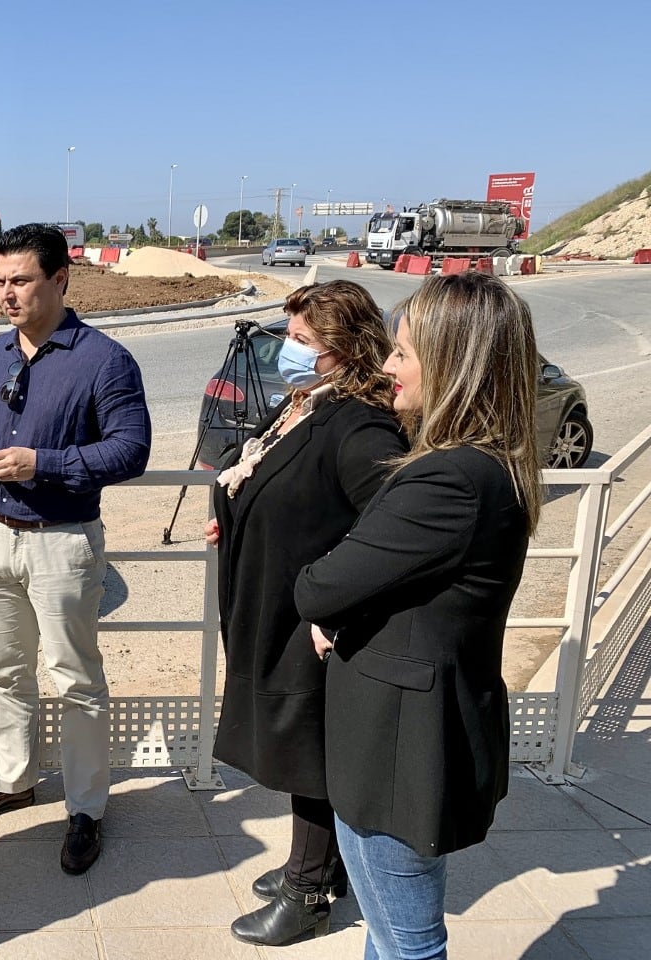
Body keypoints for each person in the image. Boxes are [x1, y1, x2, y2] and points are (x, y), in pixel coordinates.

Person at [295, 271, 543, 960]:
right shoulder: (486, 468)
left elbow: (318, 587)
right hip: (411, 739)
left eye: (403, 352)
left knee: (409, 943)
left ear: (454, 364)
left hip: (399, 751)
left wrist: (337, 600)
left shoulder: (449, 479)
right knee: (389, 929)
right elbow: (419, 588)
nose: (388, 366)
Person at [204, 280, 406, 946]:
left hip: (312, 620)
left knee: (309, 751)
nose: (287, 352)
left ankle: (309, 893)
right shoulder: (308, 402)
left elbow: (390, 529)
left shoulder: (361, 424)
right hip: (274, 605)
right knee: (294, 743)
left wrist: (339, 609)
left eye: (301, 341)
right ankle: (317, 863)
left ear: (343, 348)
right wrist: (237, 513)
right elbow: (280, 478)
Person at [0, 222, 152, 875]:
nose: (7, 294)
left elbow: (131, 449)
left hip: (62, 542)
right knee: (5, 672)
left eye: (21, 281)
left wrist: (45, 462)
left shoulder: (104, 359)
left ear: (60, 280)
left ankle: (86, 808)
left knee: (77, 681)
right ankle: (13, 782)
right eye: (0, 282)